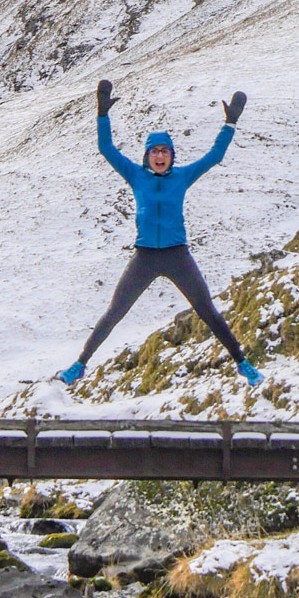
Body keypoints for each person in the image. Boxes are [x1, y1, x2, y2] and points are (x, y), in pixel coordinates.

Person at [56, 79, 264, 388]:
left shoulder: (182, 176)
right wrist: (102, 114)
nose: (160, 156)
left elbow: (214, 157)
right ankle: (79, 364)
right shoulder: (135, 175)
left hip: (177, 255)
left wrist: (230, 124)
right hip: (144, 257)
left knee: (207, 310)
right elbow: (106, 148)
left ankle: (243, 363)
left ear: (172, 156)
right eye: (155, 151)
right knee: (115, 311)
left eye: (165, 151)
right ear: (147, 156)